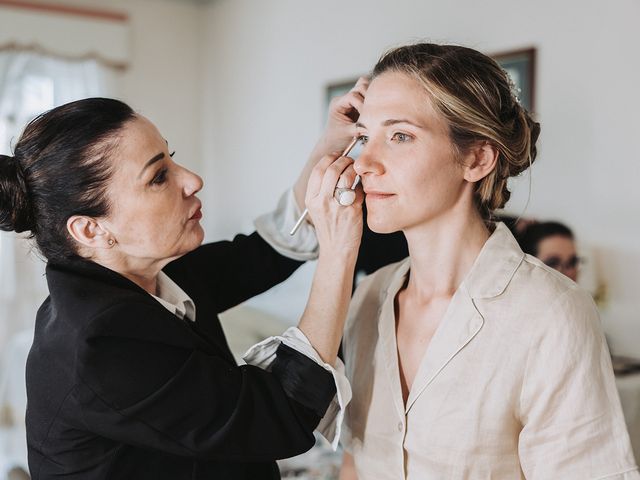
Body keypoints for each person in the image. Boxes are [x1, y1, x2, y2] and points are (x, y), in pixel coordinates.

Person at [0, 85, 366, 480]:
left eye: (172, 160)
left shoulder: (154, 273)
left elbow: (263, 254)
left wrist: (330, 146)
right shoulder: (100, 343)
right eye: (159, 176)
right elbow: (279, 415)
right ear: (90, 229)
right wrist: (340, 250)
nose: (193, 180)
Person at [324, 43, 638, 479]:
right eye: (363, 137)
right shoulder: (368, 297)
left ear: (475, 158)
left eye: (399, 136)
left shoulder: (551, 313)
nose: (363, 164)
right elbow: (354, 462)